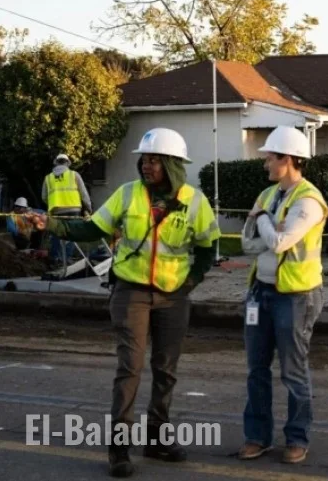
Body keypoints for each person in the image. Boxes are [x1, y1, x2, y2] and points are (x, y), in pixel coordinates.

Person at [28, 128, 221, 478]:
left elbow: (209, 248)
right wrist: (52, 224)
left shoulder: (195, 201)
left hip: (173, 297)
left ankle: (157, 440)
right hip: (130, 293)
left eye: (153, 160)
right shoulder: (127, 194)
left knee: (166, 371)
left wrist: (191, 281)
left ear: (172, 165)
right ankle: (119, 449)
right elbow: (92, 229)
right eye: (143, 160)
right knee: (129, 369)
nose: (145, 166)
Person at [237, 126, 328, 464]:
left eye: (270, 158)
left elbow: (279, 243)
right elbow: (248, 242)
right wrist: (266, 224)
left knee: (293, 371)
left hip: (295, 296)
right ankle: (257, 437)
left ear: (287, 159)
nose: (265, 165)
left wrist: (262, 221)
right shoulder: (267, 195)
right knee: (256, 369)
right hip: (260, 292)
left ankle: (297, 438)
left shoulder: (308, 201)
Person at [42, 153, 93, 266]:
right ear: (67, 163)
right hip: (73, 209)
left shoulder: (48, 178)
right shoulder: (74, 175)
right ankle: (67, 258)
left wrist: (52, 204)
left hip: (56, 211)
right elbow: (84, 194)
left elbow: (44, 196)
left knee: (57, 235)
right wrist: (89, 208)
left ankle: (56, 258)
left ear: (56, 162)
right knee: (71, 234)